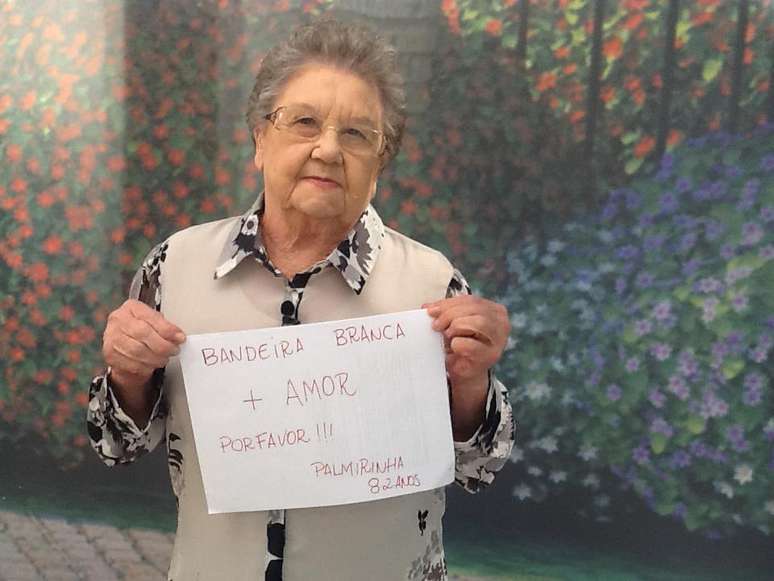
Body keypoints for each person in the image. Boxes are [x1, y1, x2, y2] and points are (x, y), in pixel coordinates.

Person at [87, 18, 515, 581]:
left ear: (379, 164)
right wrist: (127, 376)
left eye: (358, 134)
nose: (329, 148)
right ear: (261, 139)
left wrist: (470, 383)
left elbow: (479, 466)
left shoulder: (431, 286)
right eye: (304, 122)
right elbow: (114, 444)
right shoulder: (176, 266)